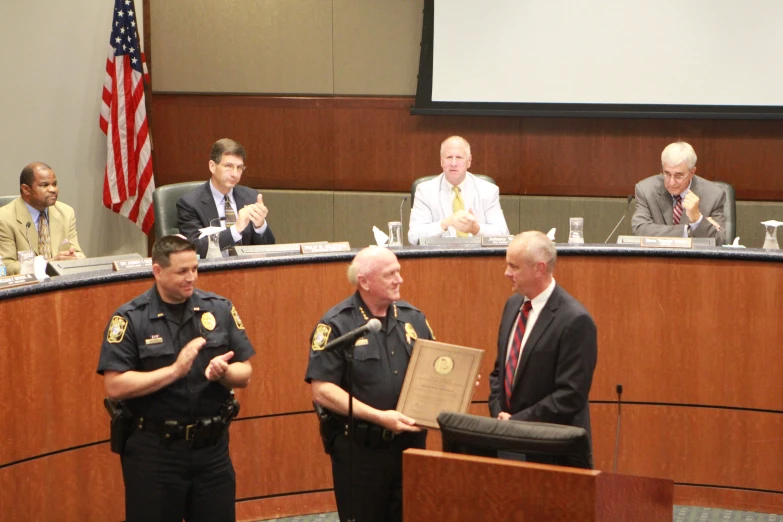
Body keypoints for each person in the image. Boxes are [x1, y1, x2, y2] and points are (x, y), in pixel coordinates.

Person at [96, 235, 254, 522]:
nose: (191, 277)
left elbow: (245, 373)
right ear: (157, 271)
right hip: (155, 454)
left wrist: (224, 373)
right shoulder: (131, 318)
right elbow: (115, 385)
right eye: (182, 271)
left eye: (194, 269)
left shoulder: (218, 308)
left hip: (211, 451)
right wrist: (174, 371)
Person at [305, 246, 435, 522]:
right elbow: (322, 391)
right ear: (364, 281)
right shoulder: (337, 324)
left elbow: (434, 372)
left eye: (398, 271)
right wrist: (380, 418)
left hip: (411, 447)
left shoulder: (414, 318)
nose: (399, 279)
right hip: (362, 452)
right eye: (390, 274)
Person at [488, 231, 597, 467]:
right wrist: (500, 418)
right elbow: (499, 373)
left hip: (554, 454)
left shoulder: (575, 320)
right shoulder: (512, 305)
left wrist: (517, 422)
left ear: (539, 268)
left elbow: (570, 396)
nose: (506, 273)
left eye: (514, 267)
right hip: (509, 445)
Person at [177, 138, 275, 258]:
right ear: (212, 166)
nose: (235, 174)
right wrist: (235, 230)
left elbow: (270, 248)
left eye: (239, 168)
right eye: (228, 166)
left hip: (248, 270)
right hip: (212, 271)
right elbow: (193, 249)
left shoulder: (251, 197)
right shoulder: (190, 203)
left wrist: (260, 226)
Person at [408, 136, 509, 245]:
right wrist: (445, 223)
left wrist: (476, 229)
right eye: (449, 157)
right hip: (439, 258)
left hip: (478, 257)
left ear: (469, 161)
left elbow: (503, 234)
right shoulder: (425, 191)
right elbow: (414, 237)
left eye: (459, 157)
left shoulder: (488, 190)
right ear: (441, 161)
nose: (453, 163)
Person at [632, 141, 726, 244]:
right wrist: (688, 230)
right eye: (667, 173)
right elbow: (640, 230)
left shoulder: (714, 195)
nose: (671, 182)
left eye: (678, 176)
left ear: (692, 173)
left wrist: (697, 218)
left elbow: (719, 241)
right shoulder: (646, 190)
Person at [0, 162, 84, 274]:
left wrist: (75, 258)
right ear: (26, 189)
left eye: (54, 184)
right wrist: (47, 264)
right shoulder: (4, 218)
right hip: (27, 288)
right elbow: (6, 266)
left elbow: (78, 254)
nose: (53, 189)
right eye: (45, 185)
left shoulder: (66, 213)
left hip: (62, 285)